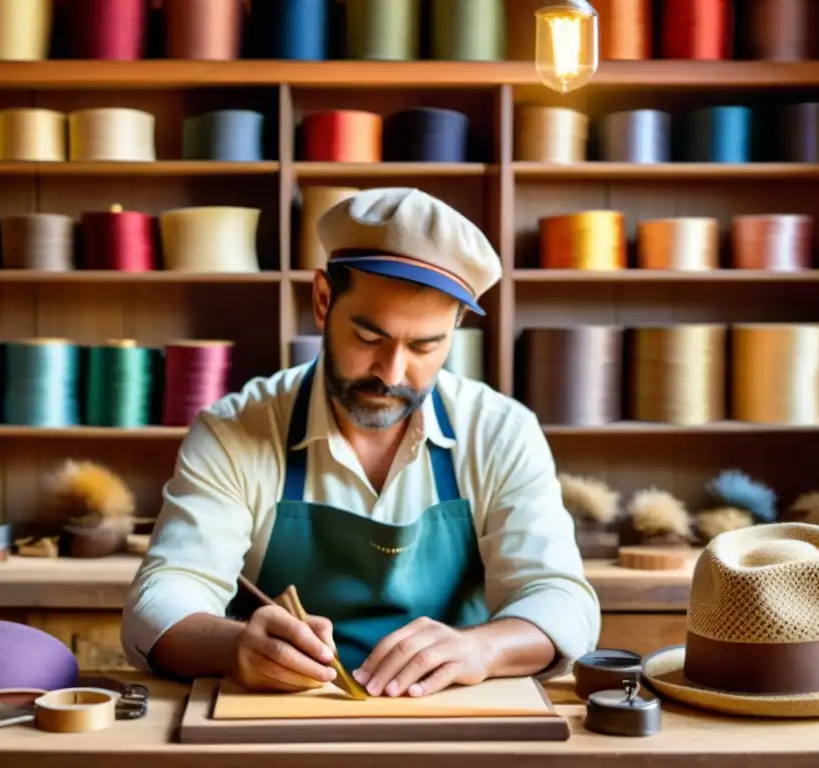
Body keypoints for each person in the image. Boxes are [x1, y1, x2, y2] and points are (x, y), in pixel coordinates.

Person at [121, 187, 601, 698]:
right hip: (284, 720)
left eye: (424, 346)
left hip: (451, 719)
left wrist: (482, 648)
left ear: (456, 328)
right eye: (369, 338)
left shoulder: (501, 432)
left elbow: (560, 599)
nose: (391, 373)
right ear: (324, 300)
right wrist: (233, 646)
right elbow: (160, 602)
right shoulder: (235, 430)